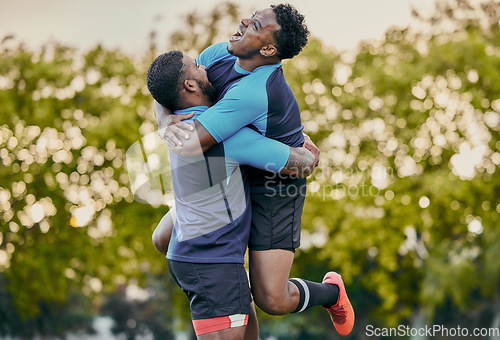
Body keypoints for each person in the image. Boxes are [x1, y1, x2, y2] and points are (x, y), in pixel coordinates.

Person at [155, 4, 354, 336]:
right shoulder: (217, 54)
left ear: (267, 48)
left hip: (275, 184)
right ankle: (231, 292)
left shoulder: (254, 92)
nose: (244, 21)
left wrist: (298, 147)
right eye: (251, 16)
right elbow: (168, 80)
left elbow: (190, 144)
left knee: (272, 298)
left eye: (255, 24)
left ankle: (332, 293)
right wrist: (165, 118)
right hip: (235, 166)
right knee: (164, 238)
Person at [147, 50, 316, 340]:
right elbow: (301, 164)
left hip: (207, 257)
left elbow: (160, 92)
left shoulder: (177, 123)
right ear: (190, 85)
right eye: (198, 67)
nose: (205, 67)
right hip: (211, 263)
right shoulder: (228, 136)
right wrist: (304, 146)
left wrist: (162, 118)